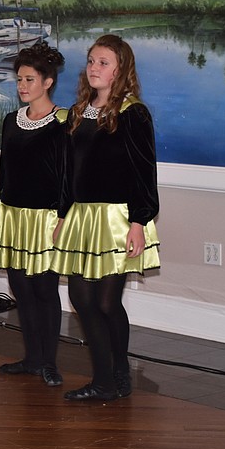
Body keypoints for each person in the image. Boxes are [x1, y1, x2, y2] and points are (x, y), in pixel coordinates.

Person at [52, 34, 160, 401]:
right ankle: (105, 377)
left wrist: (138, 223)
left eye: (103, 62)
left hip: (117, 219)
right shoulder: (79, 111)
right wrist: (64, 214)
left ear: (120, 70)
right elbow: (70, 171)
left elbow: (144, 172)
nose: (94, 68)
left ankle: (115, 374)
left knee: (105, 302)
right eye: (91, 60)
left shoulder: (133, 113)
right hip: (83, 219)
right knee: (82, 299)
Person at [0, 42, 67, 387]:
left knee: (45, 291)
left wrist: (64, 218)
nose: (21, 86)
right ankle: (32, 358)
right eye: (19, 79)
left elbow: (67, 176)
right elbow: (5, 172)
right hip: (13, 217)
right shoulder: (10, 121)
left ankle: (49, 362)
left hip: (45, 219)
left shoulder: (64, 122)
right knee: (21, 289)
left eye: (29, 79)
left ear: (47, 82)